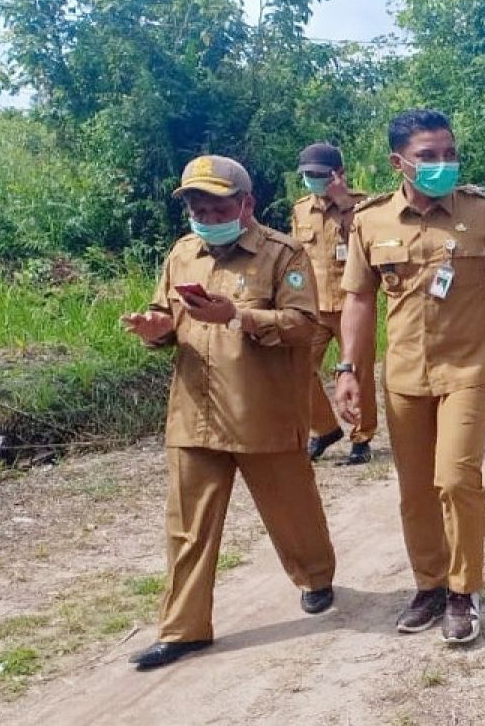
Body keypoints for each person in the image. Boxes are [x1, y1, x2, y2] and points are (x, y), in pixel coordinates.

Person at [336, 109, 485, 644]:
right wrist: (348, 368)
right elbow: (358, 299)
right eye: (428, 156)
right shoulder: (371, 220)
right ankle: (430, 585)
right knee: (415, 490)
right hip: (404, 375)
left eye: (449, 152)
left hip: (470, 368)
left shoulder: (482, 214)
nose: (443, 163)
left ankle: (464, 590)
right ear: (399, 162)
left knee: (456, 478)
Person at [120, 155, 337, 670]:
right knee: (187, 527)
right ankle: (184, 629)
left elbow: (304, 324)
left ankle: (316, 576)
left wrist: (237, 317)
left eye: (218, 207)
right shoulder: (182, 253)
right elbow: (165, 315)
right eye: (198, 206)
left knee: (291, 509)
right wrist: (155, 328)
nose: (207, 216)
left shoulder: (282, 255)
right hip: (193, 413)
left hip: (263, 410)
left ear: (246, 205)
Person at [291, 143, 376, 465]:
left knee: (358, 373)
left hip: (351, 305)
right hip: (312, 307)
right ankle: (325, 428)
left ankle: (361, 436)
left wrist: (343, 204)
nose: (313, 180)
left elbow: (365, 245)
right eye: (307, 175)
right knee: (296, 368)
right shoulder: (300, 210)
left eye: (319, 174)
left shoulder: (362, 206)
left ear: (338, 174)